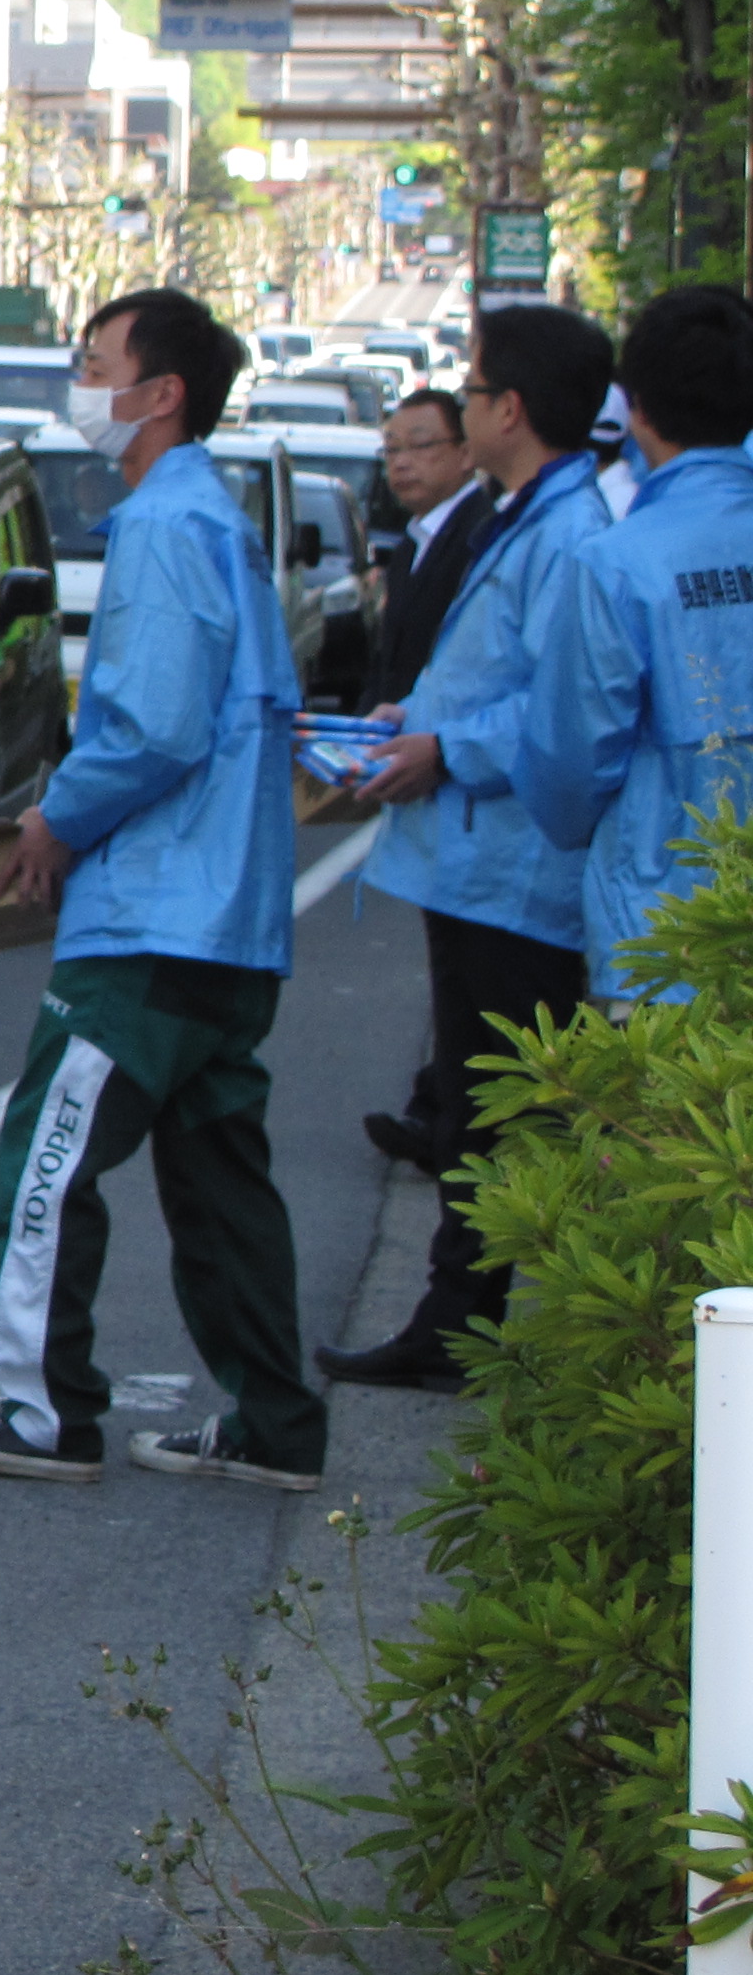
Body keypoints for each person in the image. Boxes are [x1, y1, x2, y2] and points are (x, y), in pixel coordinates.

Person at [0, 288, 323, 1493]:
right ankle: (271, 1423)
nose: (78, 385)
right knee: (222, 1185)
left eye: (95, 364)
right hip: (235, 918)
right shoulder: (228, 525)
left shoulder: (161, 526)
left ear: (161, 393)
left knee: (49, 1153)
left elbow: (151, 726)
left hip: (151, 913)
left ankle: (40, 1409)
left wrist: (54, 818)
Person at [323, 310, 611, 1389]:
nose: (466, 395)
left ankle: (460, 1318)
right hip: (482, 853)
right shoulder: (519, 512)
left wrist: (449, 743)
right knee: (477, 1096)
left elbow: (563, 706)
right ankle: (459, 1310)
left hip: (515, 861)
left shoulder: (569, 531)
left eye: (474, 383)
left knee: (494, 1106)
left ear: (510, 409)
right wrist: (420, 710)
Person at [517, 285, 753, 1007]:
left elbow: (567, 762)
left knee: (665, 1119)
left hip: (664, 939)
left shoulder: (617, 561)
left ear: (637, 407)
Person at [364, 387, 489, 709]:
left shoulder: (483, 535)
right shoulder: (411, 543)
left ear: (465, 453)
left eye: (420, 446)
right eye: (391, 450)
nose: (401, 462)